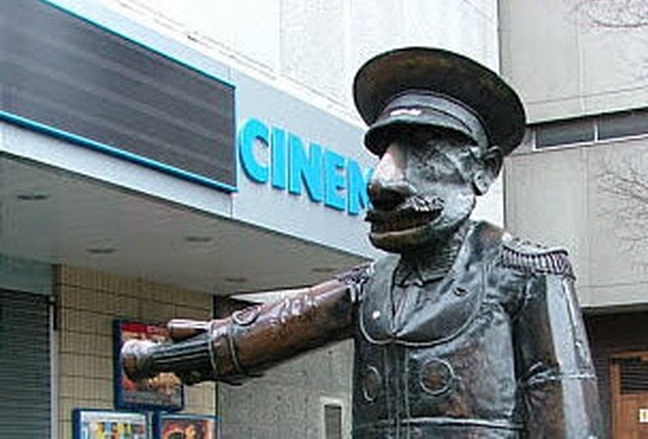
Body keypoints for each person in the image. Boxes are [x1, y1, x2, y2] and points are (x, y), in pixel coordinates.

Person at [122, 47, 602, 438]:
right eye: (386, 153)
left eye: (425, 150)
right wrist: (169, 356)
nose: (384, 180)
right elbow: (270, 330)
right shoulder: (369, 288)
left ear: (484, 169)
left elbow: (568, 418)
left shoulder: (526, 271)